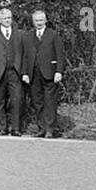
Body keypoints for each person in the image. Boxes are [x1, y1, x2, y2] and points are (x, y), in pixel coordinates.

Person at [0, 7, 31, 136]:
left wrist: (25, 72)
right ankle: (2, 128)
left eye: (9, 18)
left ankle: (16, 128)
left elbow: (25, 55)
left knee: (17, 101)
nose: (7, 20)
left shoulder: (20, 34)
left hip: (15, 72)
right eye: (4, 18)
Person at [28, 8, 66, 138]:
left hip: (50, 72)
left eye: (41, 20)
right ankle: (41, 128)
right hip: (34, 73)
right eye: (37, 20)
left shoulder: (53, 35)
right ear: (33, 22)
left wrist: (59, 71)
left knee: (50, 102)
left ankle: (50, 129)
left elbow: (60, 54)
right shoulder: (29, 35)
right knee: (37, 102)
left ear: (46, 21)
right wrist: (26, 73)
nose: (39, 23)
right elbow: (26, 55)